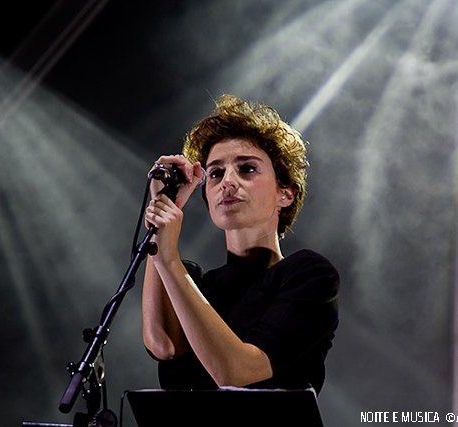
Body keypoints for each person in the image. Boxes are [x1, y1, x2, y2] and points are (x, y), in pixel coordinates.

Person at [141, 95, 339, 396]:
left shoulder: (309, 277)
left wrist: (168, 260)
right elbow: (163, 345)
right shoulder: (193, 281)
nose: (227, 182)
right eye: (216, 173)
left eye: (247, 169)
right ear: (206, 199)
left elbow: (235, 373)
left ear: (284, 194)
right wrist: (166, 206)